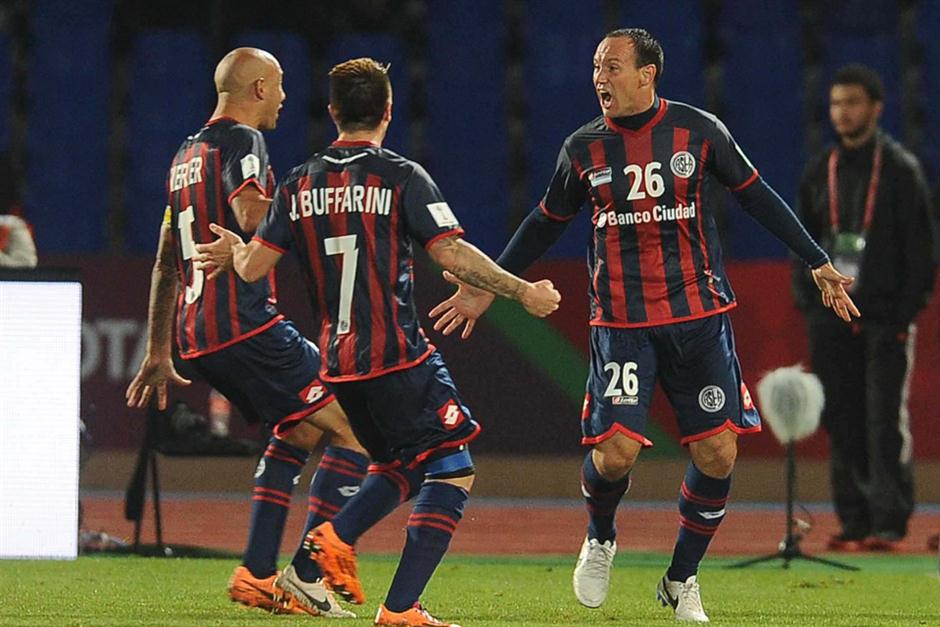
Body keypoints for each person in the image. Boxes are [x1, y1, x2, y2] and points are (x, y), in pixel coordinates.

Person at [430, 29, 859, 623]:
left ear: (647, 74)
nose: (599, 78)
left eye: (612, 66)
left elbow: (757, 197)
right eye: (595, 67)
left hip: (699, 318)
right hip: (623, 324)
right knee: (615, 456)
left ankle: (681, 579)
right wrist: (492, 283)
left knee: (718, 452)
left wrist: (816, 260)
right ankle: (601, 535)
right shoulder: (582, 149)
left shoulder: (699, 131)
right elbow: (544, 222)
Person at [194, 57, 560, 627]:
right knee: (453, 465)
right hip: (395, 355)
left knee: (403, 463)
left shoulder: (297, 181)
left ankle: (326, 576)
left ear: (334, 112)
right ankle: (371, 580)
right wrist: (522, 291)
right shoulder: (400, 176)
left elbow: (254, 265)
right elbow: (451, 253)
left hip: (338, 365)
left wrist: (234, 253)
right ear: (389, 111)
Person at [124, 47, 369, 619]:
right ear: (258, 88)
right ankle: (309, 574)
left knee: (301, 431)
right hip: (243, 325)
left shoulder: (185, 155)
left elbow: (166, 260)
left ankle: (257, 574)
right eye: (280, 86)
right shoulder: (242, 142)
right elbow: (256, 214)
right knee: (358, 424)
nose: (285, 98)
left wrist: (160, 348)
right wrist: (313, 201)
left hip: (196, 335)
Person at [793, 64, 934, 552]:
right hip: (830, 317)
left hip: (883, 318)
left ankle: (889, 521)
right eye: (835, 104)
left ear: (875, 108)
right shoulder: (819, 171)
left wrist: (902, 313)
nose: (842, 112)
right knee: (842, 417)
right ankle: (853, 519)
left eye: (852, 103)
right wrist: (810, 307)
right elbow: (801, 243)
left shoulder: (900, 171)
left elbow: (921, 251)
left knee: (882, 418)